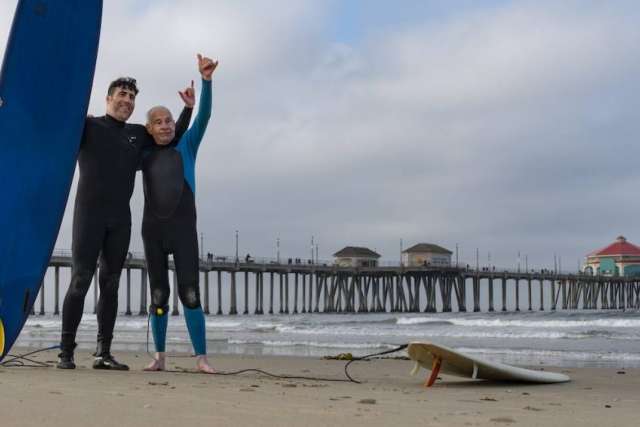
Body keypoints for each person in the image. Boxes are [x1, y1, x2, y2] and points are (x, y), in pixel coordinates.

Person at [57, 77, 195, 370]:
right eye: (122, 94)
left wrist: (187, 109)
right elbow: (53, 129)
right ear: (108, 98)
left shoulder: (138, 134)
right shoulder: (88, 127)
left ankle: (102, 353)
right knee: (81, 280)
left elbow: (172, 135)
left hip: (120, 220)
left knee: (111, 284)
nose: (127, 100)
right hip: (89, 215)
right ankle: (65, 352)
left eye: (132, 96)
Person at [142, 54, 218, 373]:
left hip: (184, 230)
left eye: (169, 120)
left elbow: (204, 117)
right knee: (159, 295)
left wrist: (206, 82)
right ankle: (159, 357)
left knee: (189, 292)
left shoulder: (186, 146)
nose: (165, 125)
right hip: (153, 232)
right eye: (158, 122)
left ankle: (201, 357)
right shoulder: (142, 153)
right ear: (149, 128)